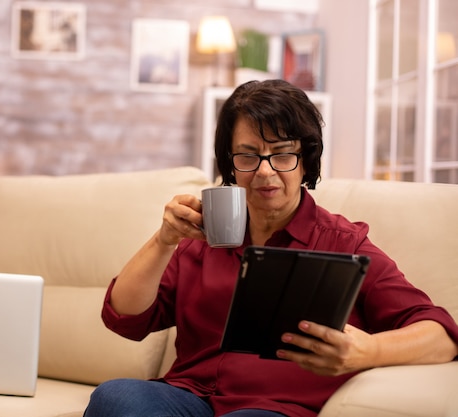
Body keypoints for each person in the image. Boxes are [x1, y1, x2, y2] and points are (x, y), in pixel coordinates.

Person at [84, 80, 458, 417]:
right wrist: (163, 239)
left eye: (282, 154)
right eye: (247, 156)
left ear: (305, 161)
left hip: (275, 408)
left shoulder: (343, 243)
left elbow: (441, 335)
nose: (265, 172)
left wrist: (366, 352)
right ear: (230, 164)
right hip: (187, 397)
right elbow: (125, 317)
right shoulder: (201, 238)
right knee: (115, 397)